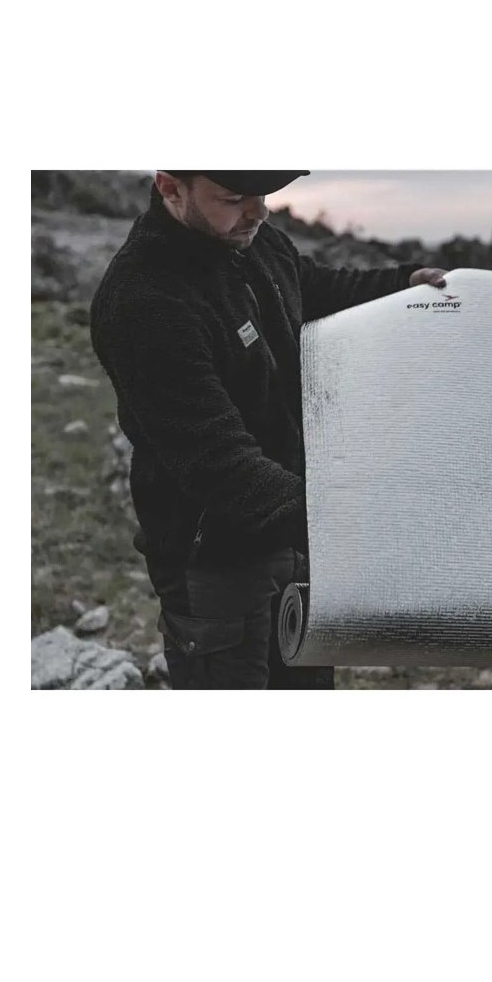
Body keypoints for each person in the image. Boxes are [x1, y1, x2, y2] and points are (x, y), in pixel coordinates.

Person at [89, 171, 449, 690]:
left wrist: (403, 285)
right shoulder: (143, 300)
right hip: (215, 560)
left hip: (295, 531)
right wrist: (345, 527)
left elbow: (312, 288)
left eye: (263, 195)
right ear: (171, 189)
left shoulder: (252, 240)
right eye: (234, 198)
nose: (257, 212)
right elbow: (218, 462)